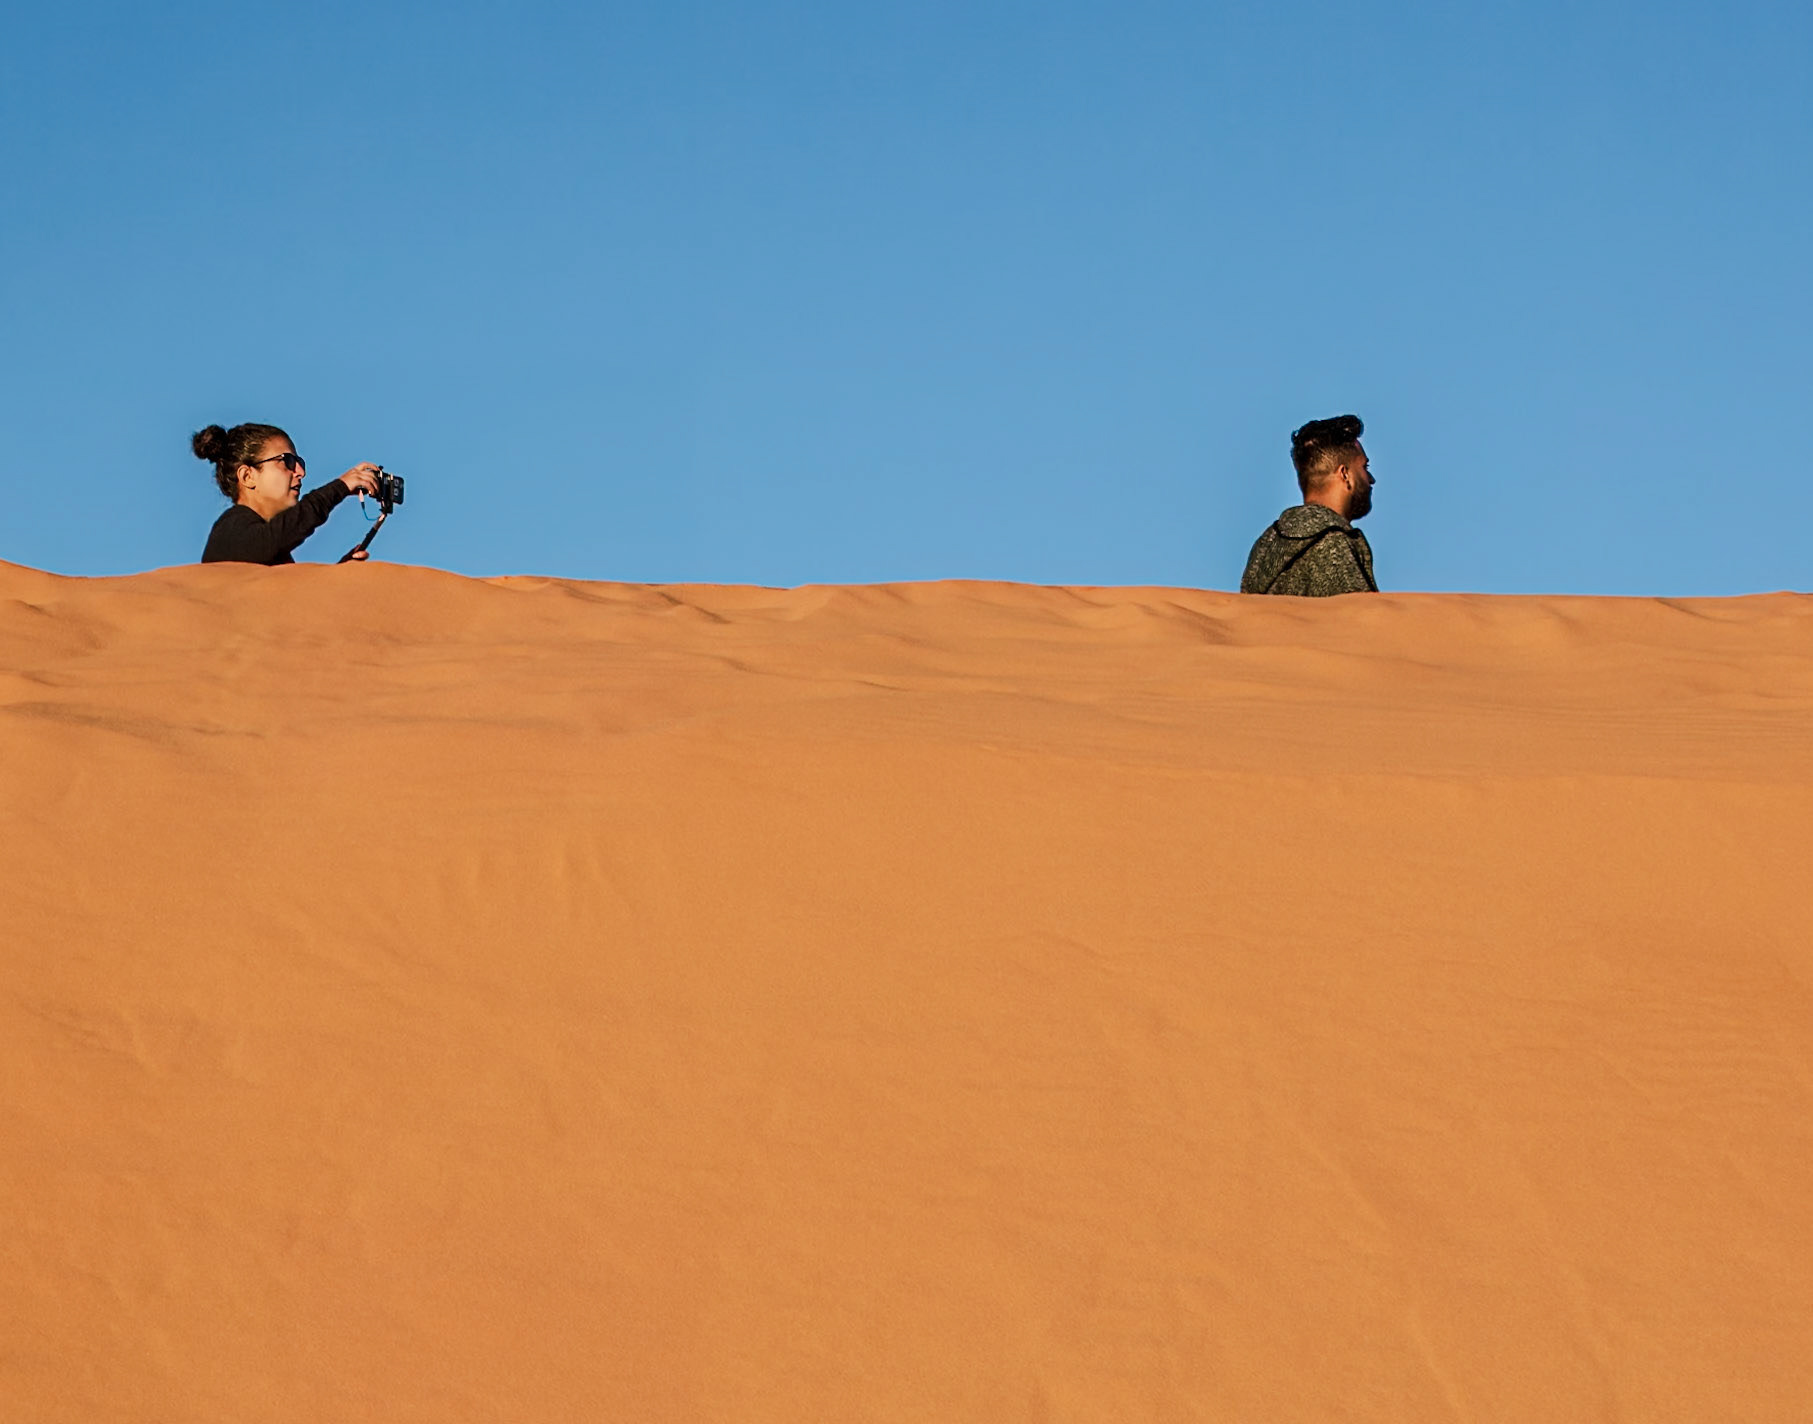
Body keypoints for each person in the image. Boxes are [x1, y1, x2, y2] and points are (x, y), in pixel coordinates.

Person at [194, 422, 380, 565]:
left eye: (300, 463)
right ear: (248, 476)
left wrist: (337, 575)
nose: (300, 472)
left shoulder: (268, 549)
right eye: (287, 462)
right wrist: (339, 487)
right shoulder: (231, 529)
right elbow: (275, 539)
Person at [1240, 414, 1379, 596]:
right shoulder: (1334, 544)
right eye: (1364, 468)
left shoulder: (1266, 545)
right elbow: (1358, 618)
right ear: (1344, 474)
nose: (1371, 479)